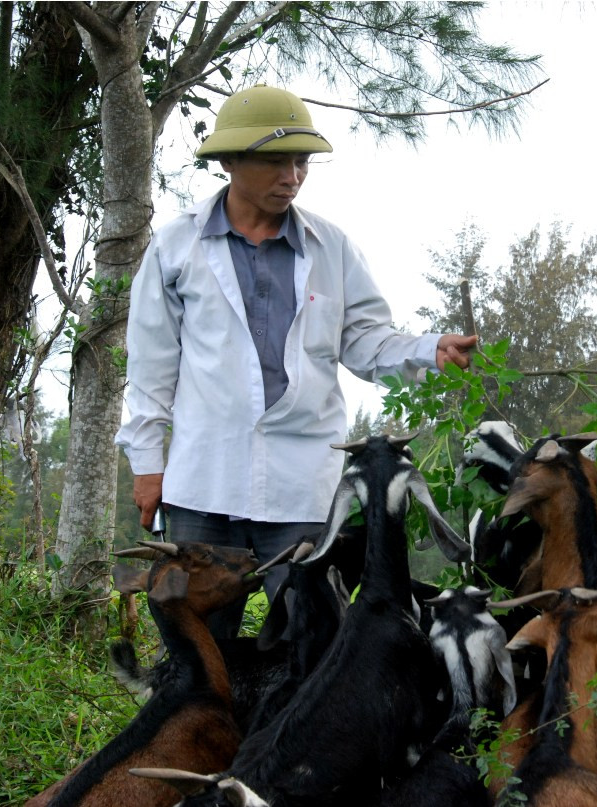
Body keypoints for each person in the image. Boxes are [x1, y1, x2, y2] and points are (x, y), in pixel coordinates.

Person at [114, 85, 477, 639]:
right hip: (203, 480)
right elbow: (151, 365)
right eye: (275, 161)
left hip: (301, 484)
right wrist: (146, 464)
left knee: (306, 648)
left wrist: (429, 349)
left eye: (302, 161)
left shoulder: (330, 247)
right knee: (196, 652)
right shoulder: (175, 247)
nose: (293, 176)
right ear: (231, 162)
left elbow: (366, 341)